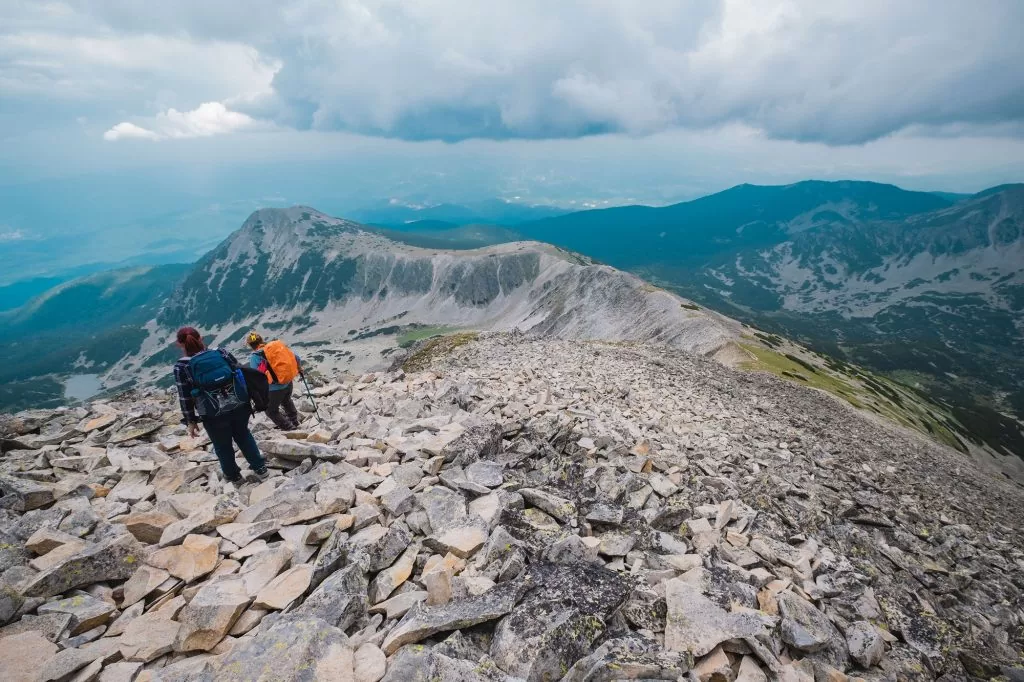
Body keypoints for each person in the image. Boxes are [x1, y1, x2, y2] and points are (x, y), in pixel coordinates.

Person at [173, 326, 268, 484]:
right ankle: (260, 468)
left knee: (222, 445)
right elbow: (240, 372)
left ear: (179, 345)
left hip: (212, 413)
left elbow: (184, 396)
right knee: (243, 435)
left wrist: (191, 421)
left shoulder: (181, 367)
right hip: (239, 404)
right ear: (201, 338)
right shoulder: (221, 353)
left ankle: (233, 476)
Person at [247, 332, 302, 431]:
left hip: (274, 389)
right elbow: (296, 357)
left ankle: (289, 428)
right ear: (261, 340)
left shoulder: (255, 357)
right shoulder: (275, 347)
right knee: (286, 400)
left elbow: (257, 377)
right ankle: (294, 421)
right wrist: (299, 368)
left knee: (270, 411)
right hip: (288, 382)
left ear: (250, 345)